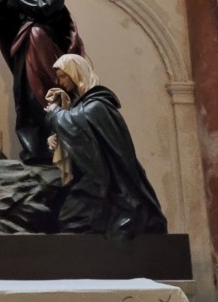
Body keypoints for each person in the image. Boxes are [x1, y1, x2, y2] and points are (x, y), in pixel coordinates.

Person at [45, 54, 168, 238]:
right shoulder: (84, 105)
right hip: (94, 179)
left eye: (63, 76)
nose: (61, 82)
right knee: (68, 219)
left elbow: (76, 128)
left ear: (76, 74)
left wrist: (55, 114)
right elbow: (82, 138)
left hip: (112, 187)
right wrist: (56, 139)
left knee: (72, 220)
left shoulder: (97, 106)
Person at [0, 0, 85, 164]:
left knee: (38, 94)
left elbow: (40, 7)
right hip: (25, 45)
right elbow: (8, 15)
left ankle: (48, 151)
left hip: (38, 46)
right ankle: (33, 152)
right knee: (24, 98)